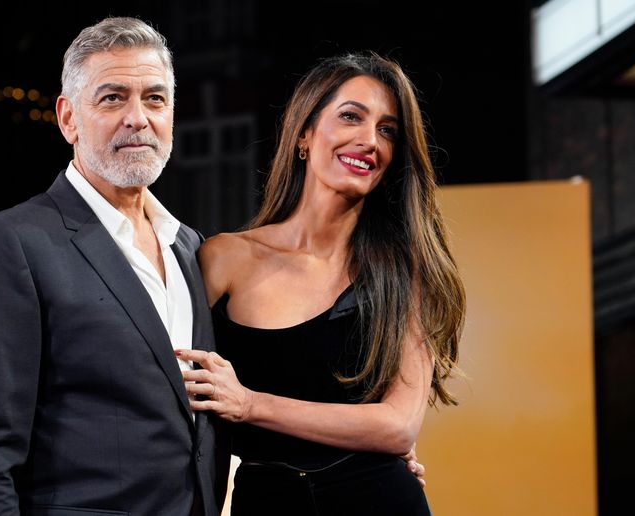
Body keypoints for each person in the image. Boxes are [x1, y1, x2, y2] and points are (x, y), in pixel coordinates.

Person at [0, 17, 228, 516]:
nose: (138, 118)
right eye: (113, 98)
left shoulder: (190, 247)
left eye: (155, 99)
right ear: (68, 118)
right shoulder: (8, 245)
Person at [176, 51, 465, 515]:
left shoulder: (406, 269)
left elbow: (397, 427)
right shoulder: (223, 257)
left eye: (387, 130)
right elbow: (174, 391)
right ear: (305, 134)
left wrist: (250, 404)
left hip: (378, 499)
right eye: (351, 116)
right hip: (265, 501)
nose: (370, 140)